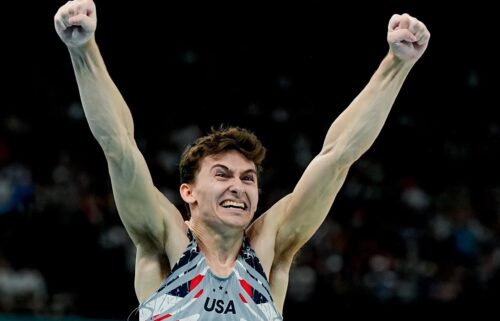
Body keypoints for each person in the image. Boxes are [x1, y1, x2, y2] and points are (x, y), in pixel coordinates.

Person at [54, 0, 430, 320]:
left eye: (248, 178)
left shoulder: (270, 247)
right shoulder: (164, 241)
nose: (238, 186)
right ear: (188, 192)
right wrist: (83, 49)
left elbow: (337, 156)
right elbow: (118, 145)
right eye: (222, 174)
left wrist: (396, 64)